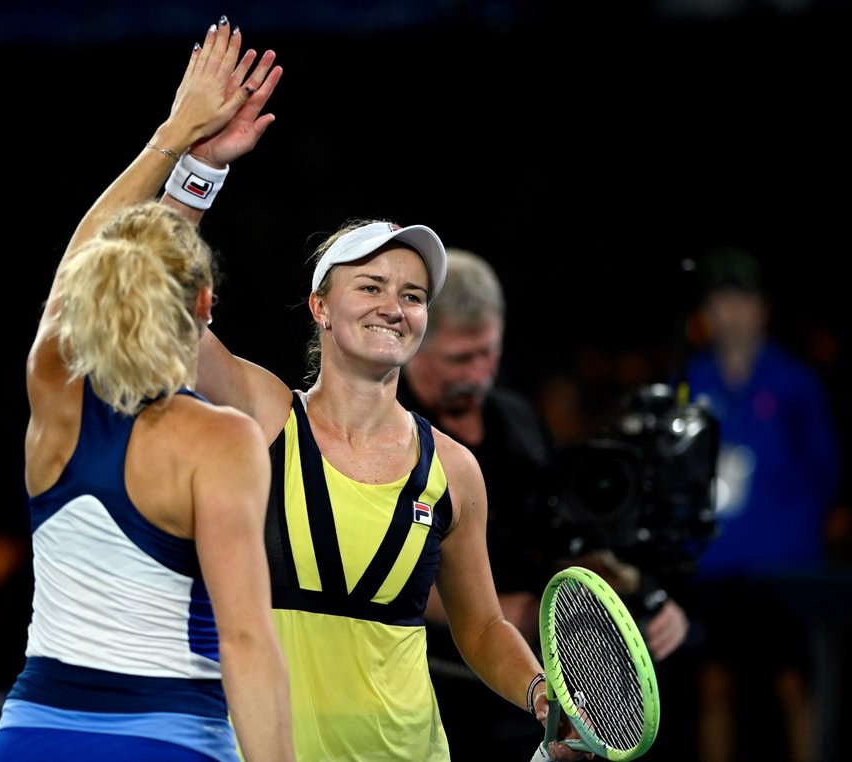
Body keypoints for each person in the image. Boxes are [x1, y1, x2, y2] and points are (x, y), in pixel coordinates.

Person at [65, 21, 592, 761]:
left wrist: (544, 697)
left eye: (411, 294)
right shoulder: (262, 412)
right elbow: (148, 296)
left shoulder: (454, 471)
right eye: (370, 286)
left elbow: (479, 629)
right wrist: (199, 170)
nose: (393, 305)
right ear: (320, 307)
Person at [0, 21, 293, 762]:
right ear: (206, 306)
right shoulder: (220, 441)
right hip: (170, 739)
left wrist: (173, 137)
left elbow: (78, 269)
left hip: (32, 735)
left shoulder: (53, 385)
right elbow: (246, 639)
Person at [396, 248, 694, 760]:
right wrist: (491, 610)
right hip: (423, 687)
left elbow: (563, 538)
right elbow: (369, 561)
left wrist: (640, 593)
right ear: (416, 345)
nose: (479, 372)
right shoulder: (386, 428)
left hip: (525, 684)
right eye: (459, 359)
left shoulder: (516, 420)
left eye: (488, 352)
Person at [683, 246, 841, 762]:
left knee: (793, 684)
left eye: (742, 299)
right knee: (714, 687)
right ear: (707, 311)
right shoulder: (690, 383)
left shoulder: (795, 383)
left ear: (762, 308)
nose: (730, 313)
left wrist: (799, 531)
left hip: (785, 567)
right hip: (713, 566)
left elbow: (824, 471)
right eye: (720, 300)